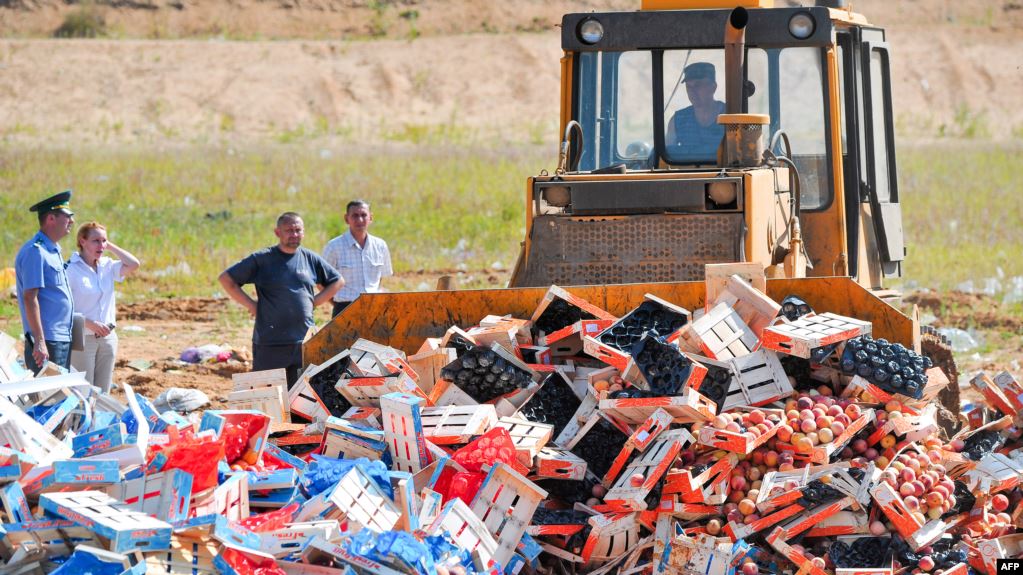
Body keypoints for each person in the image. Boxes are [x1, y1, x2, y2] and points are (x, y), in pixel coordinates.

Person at [219, 212, 342, 387]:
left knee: (302, 397)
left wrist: (313, 302)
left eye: (298, 230)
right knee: (267, 394)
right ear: (278, 232)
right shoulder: (262, 259)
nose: (294, 234)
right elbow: (226, 279)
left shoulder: (309, 258)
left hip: (303, 342)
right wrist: (252, 305)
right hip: (270, 343)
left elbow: (337, 281)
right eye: (289, 230)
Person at [66, 222, 140, 392]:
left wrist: (109, 246)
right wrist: (89, 323)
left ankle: (100, 419)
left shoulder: (107, 265)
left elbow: (134, 264)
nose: (101, 245)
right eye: (96, 241)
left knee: (103, 392)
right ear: (82, 241)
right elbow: (63, 308)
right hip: (83, 338)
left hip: (108, 337)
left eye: (104, 241)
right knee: (83, 391)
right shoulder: (70, 269)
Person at [15, 190, 76, 373]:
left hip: (60, 337)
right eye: (67, 216)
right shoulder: (36, 252)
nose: (72, 221)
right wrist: (39, 341)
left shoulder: (53, 249)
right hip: (47, 340)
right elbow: (30, 298)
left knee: (59, 395)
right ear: (51, 218)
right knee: (48, 397)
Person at [322, 200, 394, 317]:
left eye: (363, 215)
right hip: (344, 308)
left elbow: (379, 279)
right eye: (355, 216)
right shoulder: (334, 247)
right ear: (346, 219)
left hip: (374, 308)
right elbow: (321, 282)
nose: (360, 220)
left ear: (371, 217)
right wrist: (337, 304)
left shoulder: (380, 246)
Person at [665, 62, 726, 160]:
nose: (692, 91)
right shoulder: (678, 120)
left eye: (698, 85)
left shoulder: (730, 116)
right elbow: (667, 156)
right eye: (689, 86)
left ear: (713, 87)